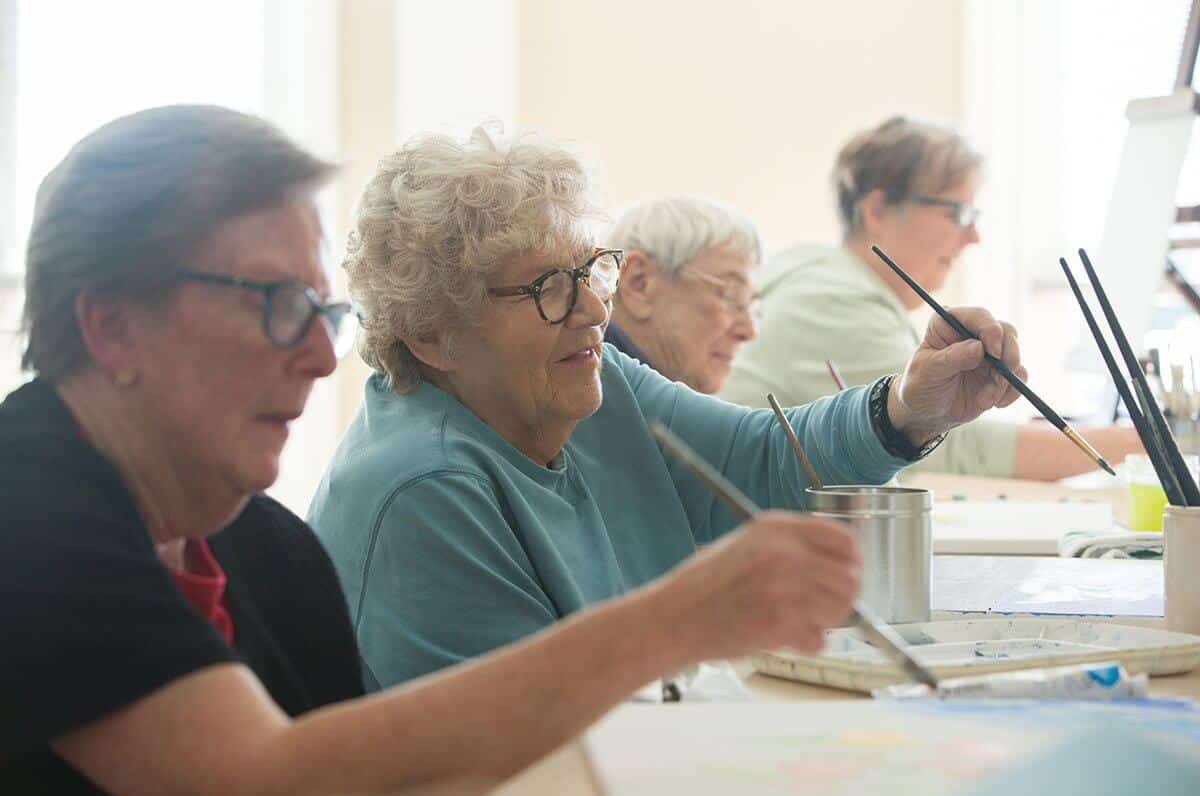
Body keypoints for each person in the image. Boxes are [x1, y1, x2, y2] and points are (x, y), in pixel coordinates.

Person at [1, 105, 873, 796]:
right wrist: (676, 620)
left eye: (320, 310)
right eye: (271, 303)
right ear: (111, 325)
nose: (315, 354)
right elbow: (257, 780)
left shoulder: (266, 551)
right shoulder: (29, 518)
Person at [308, 124, 1027, 688]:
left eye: (592, 269)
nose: (592, 307)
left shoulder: (592, 384)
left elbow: (763, 456)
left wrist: (910, 406)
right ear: (432, 331)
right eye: (547, 288)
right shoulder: (425, 492)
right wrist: (696, 621)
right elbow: (534, 744)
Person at [720, 116, 1142, 480]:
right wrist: (1141, 443)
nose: (973, 236)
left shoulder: (822, 275)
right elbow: (950, 445)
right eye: (956, 212)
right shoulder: (831, 301)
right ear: (877, 211)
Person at [603, 195, 760, 393]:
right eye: (731, 295)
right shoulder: (588, 402)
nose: (749, 331)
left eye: (752, 306)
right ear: (639, 283)